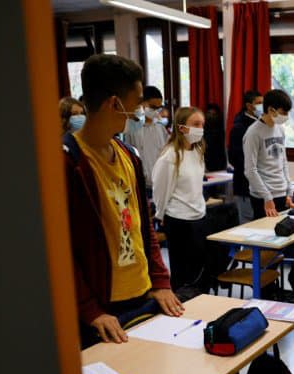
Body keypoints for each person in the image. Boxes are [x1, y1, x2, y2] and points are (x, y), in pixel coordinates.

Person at [63, 54, 183, 351]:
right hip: (102, 312)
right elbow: (59, 250)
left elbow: (144, 229)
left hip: (144, 296)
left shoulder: (128, 154)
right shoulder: (67, 162)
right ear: (114, 104)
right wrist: (90, 309)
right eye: (138, 101)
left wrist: (160, 280)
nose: (141, 110)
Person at [152, 107, 211, 293]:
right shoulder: (170, 156)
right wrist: (160, 214)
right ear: (182, 127)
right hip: (178, 220)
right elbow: (160, 190)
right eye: (195, 124)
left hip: (198, 217)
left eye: (202, 124)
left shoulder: (198, 151)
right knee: (183, 273)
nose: (200, 129)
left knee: (200, 270)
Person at [243, 89, 294, 219]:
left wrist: (289, 191)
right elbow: (250, 170)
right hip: (263, 196)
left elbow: (283, 162)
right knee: (266, 235)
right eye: (283, 112)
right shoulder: (253, 133)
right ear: (271, 110)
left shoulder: (280, 129)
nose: (286, 116)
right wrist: (267, 197)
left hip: (281, 193)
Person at [123, 85, 169, 191]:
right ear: (142, 103)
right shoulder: (131, 128)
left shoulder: (160, 127)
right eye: (153, 107)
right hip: (141, 185)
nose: (156, 111)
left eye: (159, 108)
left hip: (161, 183)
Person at [228, 90, 263, 223]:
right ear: (249, 106)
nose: (262, 107)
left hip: (261, 185)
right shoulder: (239, 128)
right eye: (259, 103)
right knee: (248, 226)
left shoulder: (262, 124)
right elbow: (235, 158)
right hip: (245, 186)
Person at [204, 102, 228, 171]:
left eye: (214, 114)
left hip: (219, 165)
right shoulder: (201, 130)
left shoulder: (221, 130)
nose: (211, 116)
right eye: (209, 113)